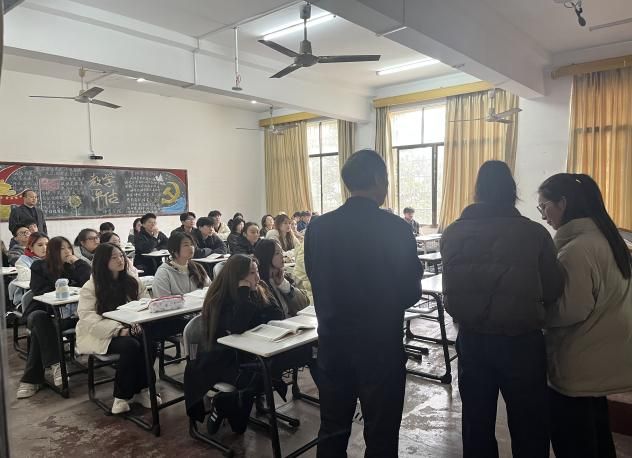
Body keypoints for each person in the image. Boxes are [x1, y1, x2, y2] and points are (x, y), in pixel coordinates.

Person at [441, 160, 564, 458]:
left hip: (472, 340)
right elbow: (553, 288)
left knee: (476, 421)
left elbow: (451, 290)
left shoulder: (453, 233)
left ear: (478, 192)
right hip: (522, 342)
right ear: (512, 191)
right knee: (529, 422)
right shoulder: (534, 233)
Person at [305, 149, 423, 457]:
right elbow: (411, 292)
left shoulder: (318, 227)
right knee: (381, 433)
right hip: (380, 347)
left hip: (333, 344)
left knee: (332, 430)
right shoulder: (396, 228)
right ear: (378, 180)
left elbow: (314, 277)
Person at [538, 173, 632, 458]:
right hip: (603, 358)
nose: (543, 215)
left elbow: (570, 310)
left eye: (545, 206)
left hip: (579, 363)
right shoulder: (609, 240)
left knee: (574, 443)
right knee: (597, 437)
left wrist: (536, 315)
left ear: (563, 203)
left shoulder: (576, 250)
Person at [184, 255, 285, 429]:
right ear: (237, 278)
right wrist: (243, 294)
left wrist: (256, 293)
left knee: (274, 369)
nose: (258, 277)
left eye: (257, 271)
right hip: (220, 359)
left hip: (249, 353)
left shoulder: (258, 289)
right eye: (252, 273)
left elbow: (278, 315)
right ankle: (228, 403)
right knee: (262, 376)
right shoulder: (219, 299)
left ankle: (225, 402)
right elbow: (237, 328)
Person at [75, 243, 157, 414]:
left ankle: (143, 390)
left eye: (121, 256)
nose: (120, 260)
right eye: (114, 257)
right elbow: (88, 318)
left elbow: (146, 303)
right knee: (130, 346)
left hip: (132, 328)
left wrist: (138, 323)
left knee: (149, 340)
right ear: (102, 261)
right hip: (102, 334)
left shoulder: (132, 281)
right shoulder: (91, 287)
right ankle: (121, 396)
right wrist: (119, 330)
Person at [16, 236, 91, 398]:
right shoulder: (39, 266)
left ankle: (32, 379)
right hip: (46, 312)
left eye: (69, 248)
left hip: (72, 315)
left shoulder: (74, 266)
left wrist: (78, 262)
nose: (67, 251)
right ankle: (57, 364)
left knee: (40, 331)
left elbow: (89, 283)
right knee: (38, 318)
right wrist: (64, 285)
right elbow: (39, 290)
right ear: (52, 251)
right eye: (62, 248)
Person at [254, 239, 310, 316]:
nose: (282, 255)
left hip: (294, 321)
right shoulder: (258, 283)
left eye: (281, 252)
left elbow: (305, 303)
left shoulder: (286, 276)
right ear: (266, 256)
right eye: (277, 253)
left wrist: (284, 285)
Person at [153, 232, 210, 297]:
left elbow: (209, 290)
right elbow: (162, 299)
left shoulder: (198, 267)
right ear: (174, 250)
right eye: (186, 245)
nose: (191, 247)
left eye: (192, 244)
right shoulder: (164, 272)